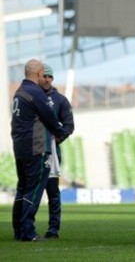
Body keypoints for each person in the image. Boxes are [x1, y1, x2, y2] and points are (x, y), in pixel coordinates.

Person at [11, 59, 66, 242]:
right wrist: (59, 132)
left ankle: (18, 230)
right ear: (38, 73)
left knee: (22, 188)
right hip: (36, 146)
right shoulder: (36, 92)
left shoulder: (19, 92)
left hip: (20, 146)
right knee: (34, 190)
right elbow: (49, 116)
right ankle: (28, 232)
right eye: (44, 73)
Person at [40, 64, 75, 239]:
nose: (47, 79)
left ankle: (53, 229)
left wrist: (56, 139)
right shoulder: (31, 97)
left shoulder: (60, 100)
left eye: (50, 76)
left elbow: (69, 126)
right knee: (28, 189)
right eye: (44, 76)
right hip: (31, 150)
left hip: (52, 151)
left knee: (52, 190)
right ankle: (24, 227)